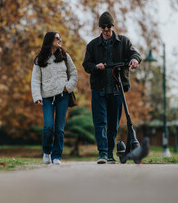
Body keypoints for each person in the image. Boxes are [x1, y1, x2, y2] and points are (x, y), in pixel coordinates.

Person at [82, 11, 141, 164]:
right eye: (103, 27)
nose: (106, 29)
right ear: (100, 28)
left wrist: (134, 60)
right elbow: (86, 65)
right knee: (100, 122)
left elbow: (135, 54)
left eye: (108, 27)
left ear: (112, 27)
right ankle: (102, 153)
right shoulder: (93, 45)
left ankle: (109, 153)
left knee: (113, 124)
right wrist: (96, 66)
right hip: (99, 90)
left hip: (117, 89)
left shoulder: (123, 42)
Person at [31, 31, 78, 165]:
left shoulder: (65, 56)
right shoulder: (39, 59)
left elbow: (74, 74)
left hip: (62, 96)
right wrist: (37, 96)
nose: (60, 40)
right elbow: (35, 80)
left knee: (59, 128)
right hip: (46, 98)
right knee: (49, 126)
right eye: (58, 38)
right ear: (50, 40)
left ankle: (57, 155)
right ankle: (47, 152)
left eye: (60, 38)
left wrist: (67, 87)